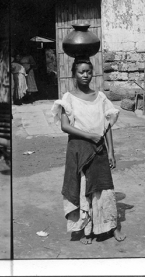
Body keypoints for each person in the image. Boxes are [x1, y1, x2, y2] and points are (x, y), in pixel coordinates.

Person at [51, 57, 124, 245]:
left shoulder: (100, 98)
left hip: (99, 148)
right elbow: (65, 127)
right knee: (83, 189)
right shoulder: (68, 98)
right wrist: (89, 136)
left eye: (88, 71)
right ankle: (87, 229)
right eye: (81, 72)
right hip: (79, 149)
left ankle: (112, 226)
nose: (85, 75)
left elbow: (107, 126)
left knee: (104, 187)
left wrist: (111, 152)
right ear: (74, 74)